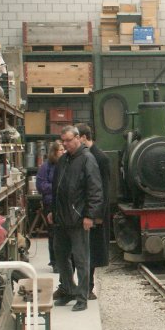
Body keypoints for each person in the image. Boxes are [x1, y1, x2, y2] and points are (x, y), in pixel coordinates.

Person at [49, 125, 103, 312]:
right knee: (60, 257)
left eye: (69, 140)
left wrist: (90, 215)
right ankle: (69, 289)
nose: (65, 144)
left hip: (79, 219)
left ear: (78, 138)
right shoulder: (63, 160)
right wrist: (52, 211)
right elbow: (56, 188)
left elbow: (95, 190)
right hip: (61, 219)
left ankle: (82, 296)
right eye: (63, 141)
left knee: (81, 259)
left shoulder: (88, 159)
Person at [76, 123, 111, 300]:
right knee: (84, 251)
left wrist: (97, 215)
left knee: (91, 252)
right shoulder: (83, 156)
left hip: (95, 214)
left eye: (76, 137)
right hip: (85, 211)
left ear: (83, 137)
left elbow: (103, 189)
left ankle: (88, 288)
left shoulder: (100, 158)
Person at [35, 141, 64, 269]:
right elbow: (41, 186)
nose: (63, 152)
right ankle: (55, 261)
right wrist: (57, 187)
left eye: (64, 149)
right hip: (50, 203)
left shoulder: (66, 164)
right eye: (60, 150)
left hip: (64, 203)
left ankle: (64, 260)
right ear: (54, 152)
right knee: (53, 233)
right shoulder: (45, 167)